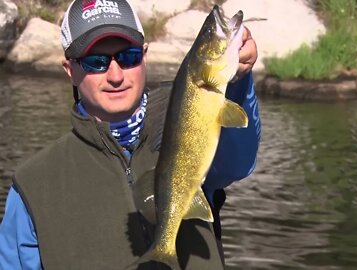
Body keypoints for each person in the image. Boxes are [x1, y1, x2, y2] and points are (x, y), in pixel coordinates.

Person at [0, 0, 261, 268]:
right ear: (71, 71)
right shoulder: (33, 184)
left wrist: (238, 83)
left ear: (144, 56)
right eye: (96, 62)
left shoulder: (193, 118)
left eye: (128, 57)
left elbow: (239, 161)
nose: (115, 75)